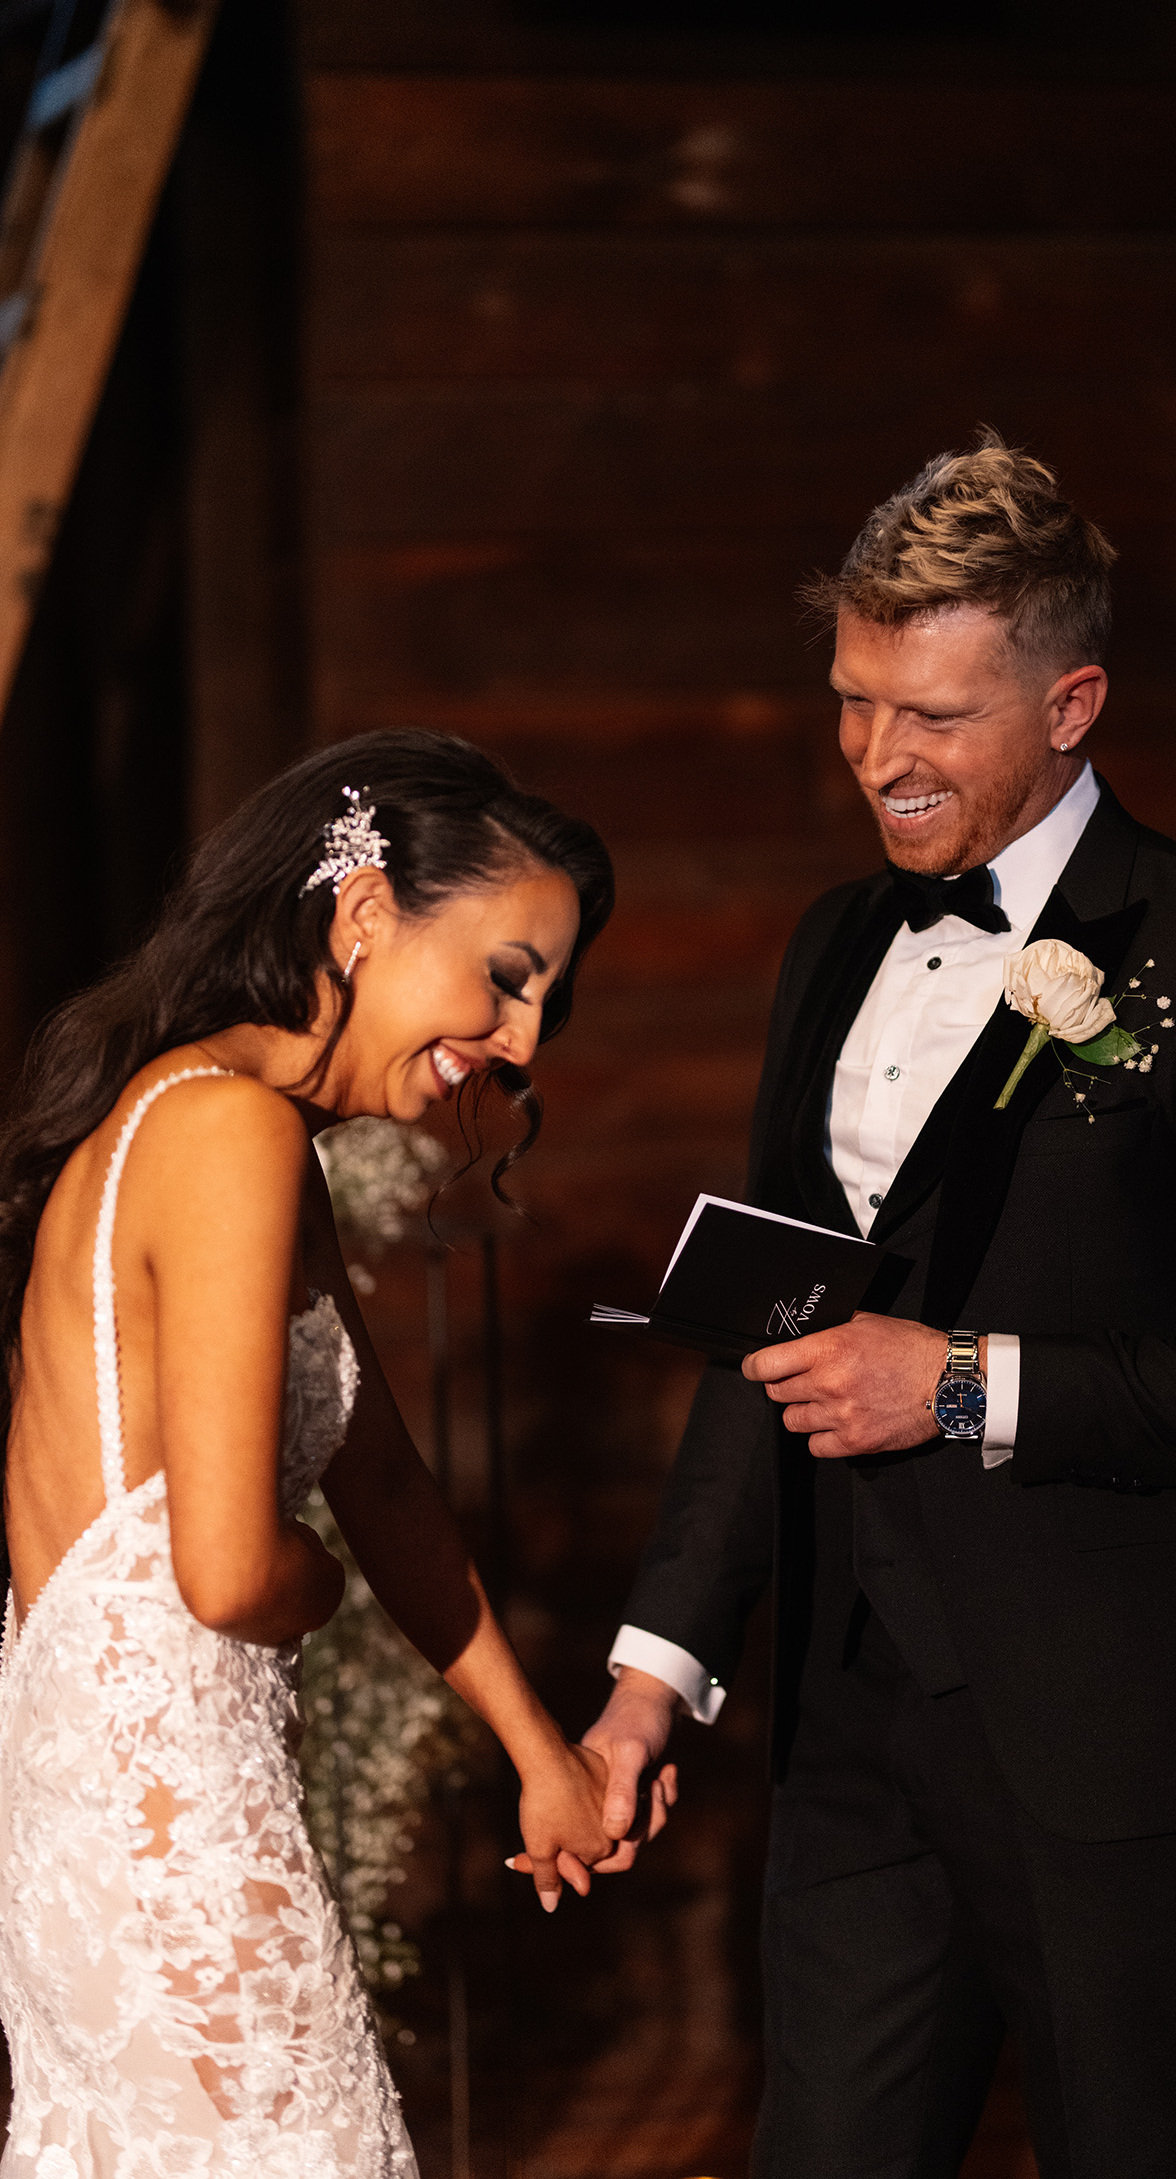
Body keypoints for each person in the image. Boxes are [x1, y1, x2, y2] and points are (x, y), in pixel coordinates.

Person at [565, 435, 1176, 2179]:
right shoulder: (830, 943)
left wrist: (963, 1385)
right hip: (852, 1729)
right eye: (857, 702)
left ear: (1073, 701)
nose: (880, 757)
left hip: (1126, 1742)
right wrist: (657, 1671)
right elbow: (765, 1329)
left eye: (933, 716)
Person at [0, 729, 636, 2176]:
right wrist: (321, 1595)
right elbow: (230, 1572)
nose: (526, 1041)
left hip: (105, 1813)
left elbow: (383, 1479)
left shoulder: (203, 1115)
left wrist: (545, 1753)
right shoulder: (229, 1134)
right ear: (363, 918)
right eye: (510, 975)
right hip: (168, 1836)